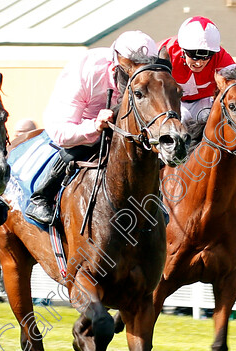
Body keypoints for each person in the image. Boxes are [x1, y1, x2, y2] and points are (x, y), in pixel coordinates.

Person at [23, 30, 158, 224]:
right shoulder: (86, 70)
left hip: (122, 127)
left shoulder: (152, 77)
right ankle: (41, 197)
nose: (135, 76)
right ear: (116, 62)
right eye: (130, 68)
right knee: (77, 148)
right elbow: (61, 133)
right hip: (80, 122)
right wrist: (95, 126)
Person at [157, 17, 236, 206]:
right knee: (172, 129)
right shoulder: (165, 51)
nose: (199, 62)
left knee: (223, 128)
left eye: (206, 56)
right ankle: (155, 182)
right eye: (194, 55)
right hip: (173, 103)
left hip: (205, 101)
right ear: (182, 48)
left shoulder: (223, 58)